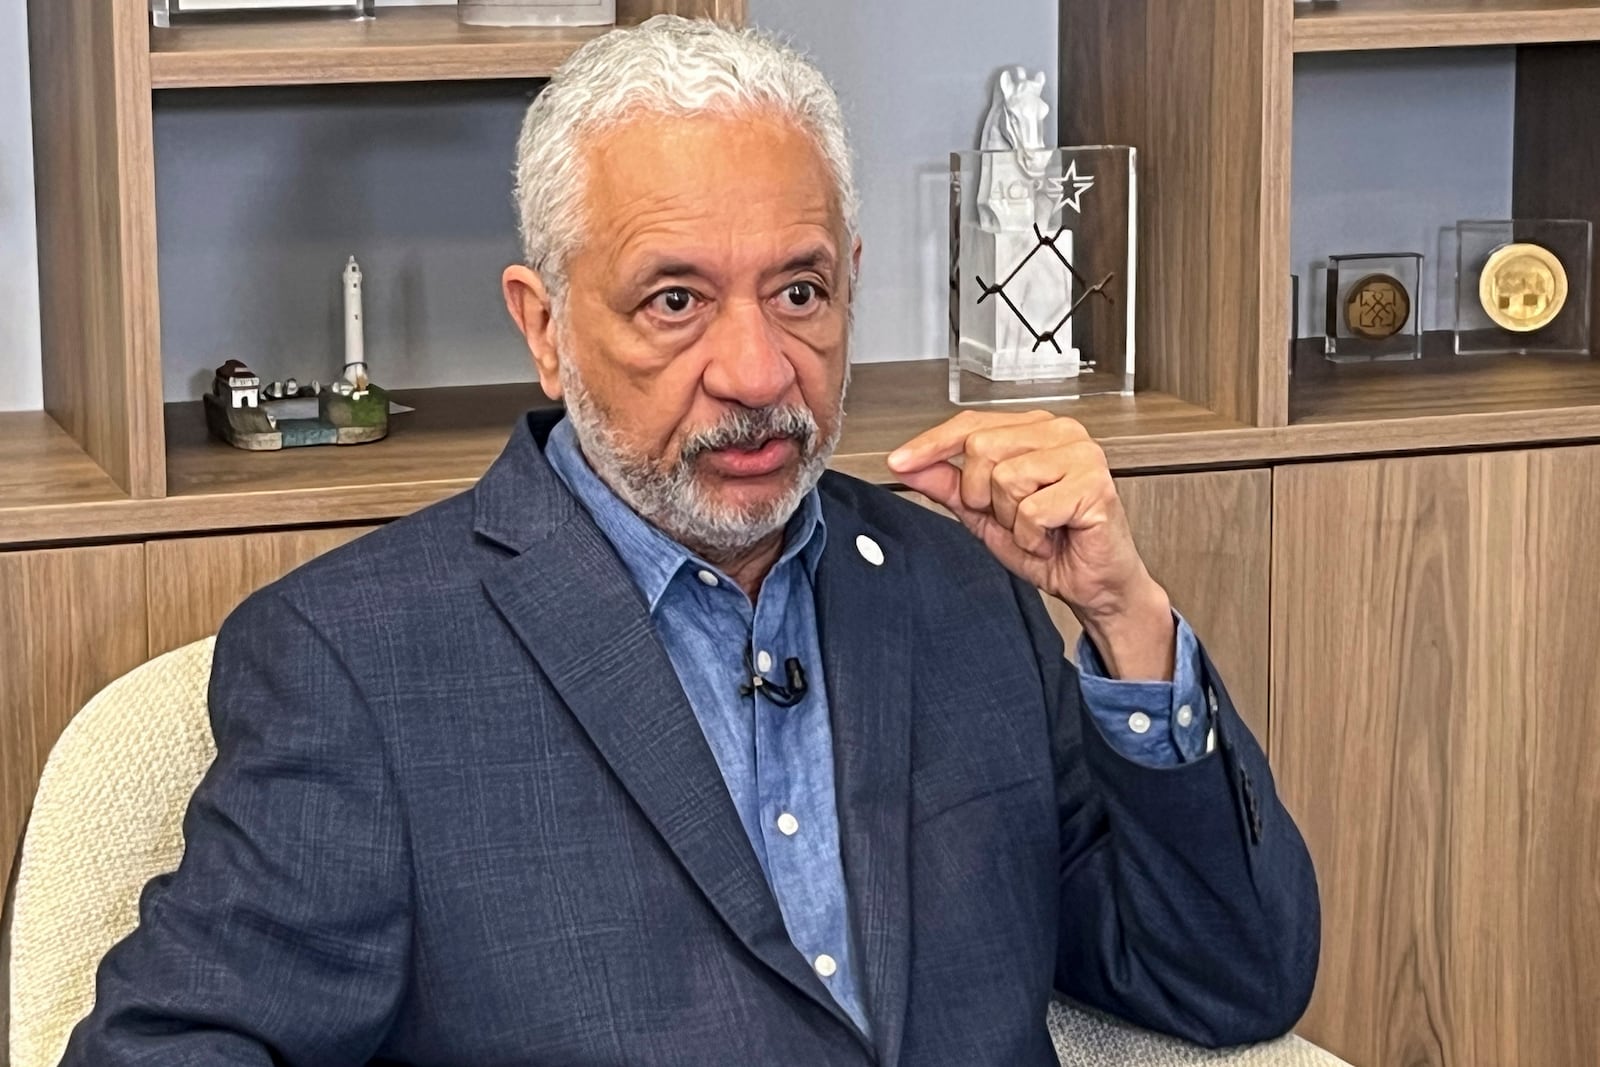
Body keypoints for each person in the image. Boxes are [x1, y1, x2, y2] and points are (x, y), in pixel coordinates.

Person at [62, 16, 1318, 1067]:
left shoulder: (958, 583)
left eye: (800, 290)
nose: (758, 368)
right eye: (675, 301)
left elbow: (1226, 979)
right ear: (544, 324)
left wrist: (1124, 616)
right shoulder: (359, 660)